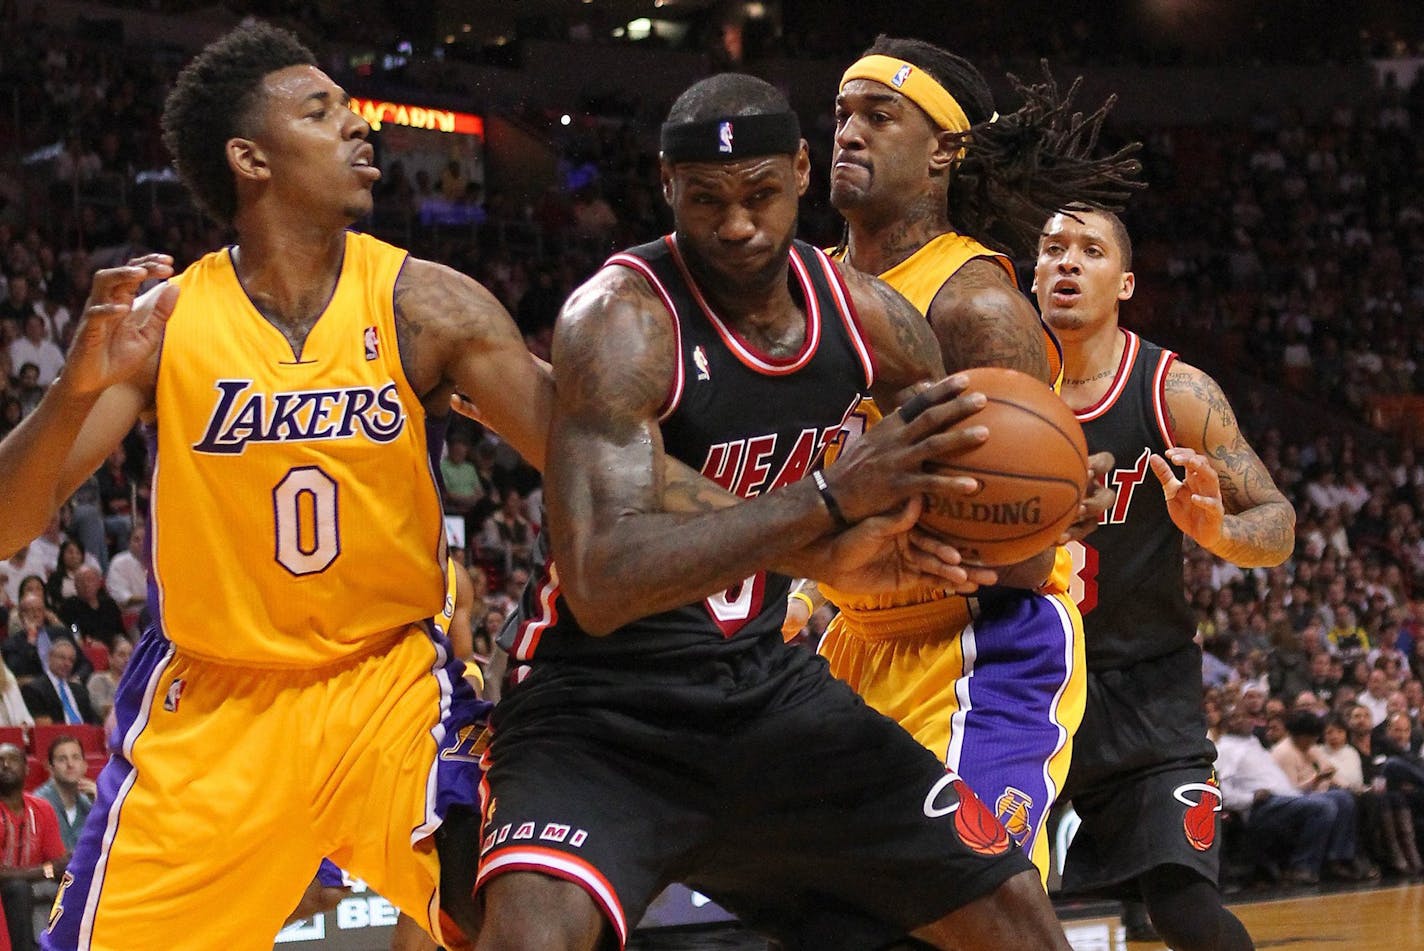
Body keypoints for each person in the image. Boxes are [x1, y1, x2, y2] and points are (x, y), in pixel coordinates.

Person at [476, 73, 1071, 951]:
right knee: (528, 941)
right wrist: (828, 503)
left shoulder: (869, 318)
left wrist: (1044, 495)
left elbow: (974, 458)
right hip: (597, 710)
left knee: (1018, 915)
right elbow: (601, 581)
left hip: (763, 687)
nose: (737, 224)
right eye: (707, 199)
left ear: (800, 171)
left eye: (759, 193)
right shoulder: (620, 318)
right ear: (667, 186)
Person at [0, 22, 559, 950]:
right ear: (249, 158)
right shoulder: (169, 321)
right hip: (211, 708)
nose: (357, 125)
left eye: (349, 107)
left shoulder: (428, 304)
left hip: (385, 687)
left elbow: (595, 464)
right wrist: (75, 389)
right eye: (321, 109)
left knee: (529, 905)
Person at [793, 35, 1140, 883]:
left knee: (965, 902)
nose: (848, 133)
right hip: (854, 640)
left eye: (880, 116)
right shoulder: (809, 289)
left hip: (986, 647)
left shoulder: (977, 305)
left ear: (945, 149)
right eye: (842, 114)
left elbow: (1022, 551)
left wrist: (1028, 505)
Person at [1035, 207, 1296, 951]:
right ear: (1031, 274)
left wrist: (1217, 531)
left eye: (1089, 251)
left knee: (1185, 908)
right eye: (1052, 249)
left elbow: (1277, 524)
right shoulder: (999, 385)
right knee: (987, 907)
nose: (1067, 263)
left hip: (1148, 687)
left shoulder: (1175, 390)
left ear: (1124, 282)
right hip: (1025, 678)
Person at [1214, 705, 1359, 885]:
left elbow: (1285, 785)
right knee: (1323, 807)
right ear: (1224, 724)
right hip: (1261, 807)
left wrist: (1308, 787)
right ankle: (1302, 867)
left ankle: (1337, 859)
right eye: (1234, 717)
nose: (1241, 720)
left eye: (1244, 715)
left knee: (1343, 798)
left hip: (1289, 797)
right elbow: (1222, 791)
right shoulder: (1223, 749)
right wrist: (1250, 798)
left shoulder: (1254, 743)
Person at [0, 743, 67, 951]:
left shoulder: (42, 808)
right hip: (10, 890)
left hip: (32, 884)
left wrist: (52, 869)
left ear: (27, 768)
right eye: (0, 762)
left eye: (12, 759)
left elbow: (60, 864)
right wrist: (44, 870)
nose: (6, 765)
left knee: (72, 881)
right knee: (18, 889)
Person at [33, 736, 96, 853]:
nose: (70, 764)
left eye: (76, 758)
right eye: (62, 759)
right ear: (50, 768)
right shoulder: (38, 804)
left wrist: (101, 804)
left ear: (85, 766)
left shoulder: (91, 802)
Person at [20, 638, 98, 726]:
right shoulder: (34, 689)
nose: (67, 664)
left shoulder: (80, 691)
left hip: (84, 735)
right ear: (50, 658)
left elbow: (93, 721)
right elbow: (43, 725)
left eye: (71, 660)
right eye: (62, 658)